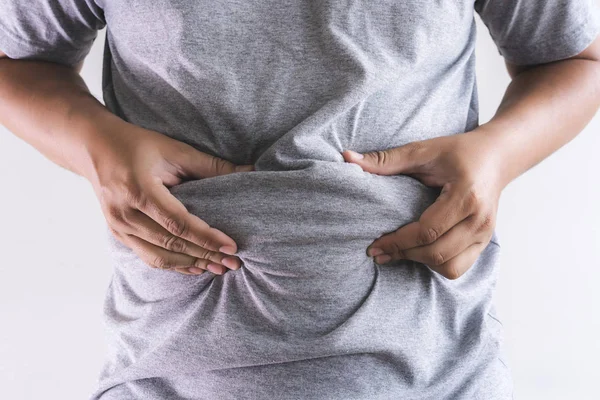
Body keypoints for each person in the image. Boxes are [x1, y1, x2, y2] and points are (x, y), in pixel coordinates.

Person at [1, 0, 599, 398]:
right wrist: (95, 146)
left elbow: (576, 59)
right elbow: (16, 62)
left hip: (437, 376)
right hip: (171, 375)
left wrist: (496, 156)